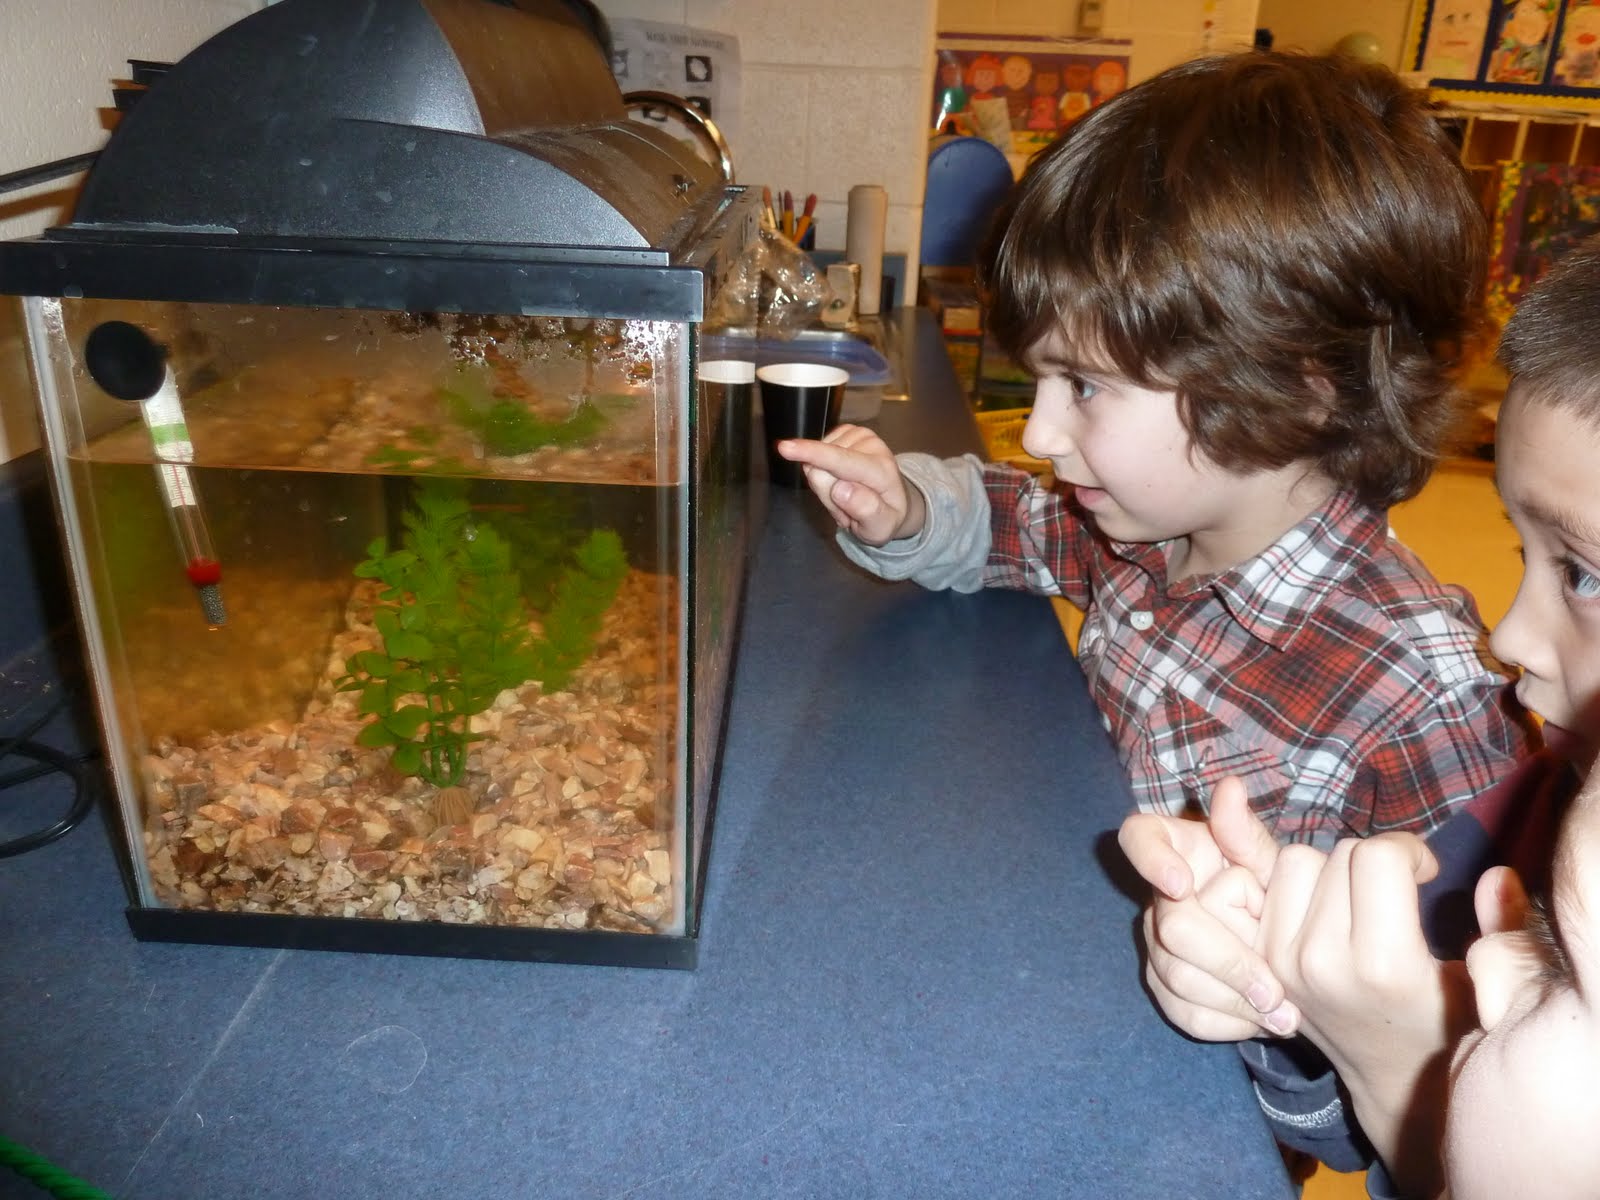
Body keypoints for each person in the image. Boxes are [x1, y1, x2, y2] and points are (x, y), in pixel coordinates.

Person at [776, 49, 1533, 849]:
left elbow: (1492, 920)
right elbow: (1011, 521)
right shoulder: (1140, 535)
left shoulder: (1427, 700)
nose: (1038, 435)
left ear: (1297, 387)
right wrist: (907, 509)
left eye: (1084, 385)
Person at [1120, 236, 1600, 1197]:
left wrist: (1405, 1072)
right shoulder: (1537, 812)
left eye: (1584, 575)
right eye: (1528, 554)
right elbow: (1342, 1127)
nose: (1508, 636)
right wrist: (1284, 987)